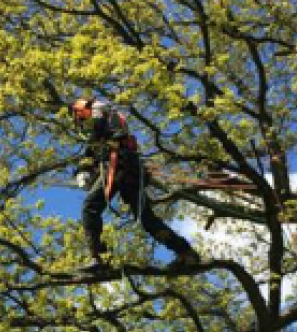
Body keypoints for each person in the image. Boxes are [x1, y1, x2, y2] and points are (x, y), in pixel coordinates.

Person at [71, 97, 200, 271]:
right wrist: (82, 170)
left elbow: (99, 139)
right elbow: (91, 152)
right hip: (131, 171)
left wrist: (85, 168)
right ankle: (186, 253)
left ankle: (98, 258)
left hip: (119, 167)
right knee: (147, 220)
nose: (83, 122)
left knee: (90, 207)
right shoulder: (103, 128)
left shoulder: (100, 111)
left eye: (81, 118)